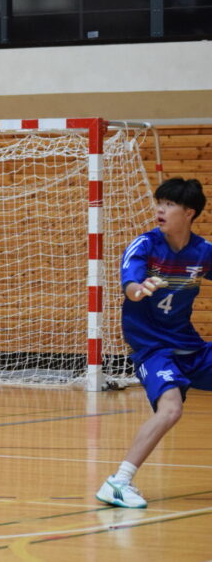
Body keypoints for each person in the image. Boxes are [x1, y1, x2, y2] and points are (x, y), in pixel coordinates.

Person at [96, 178, 212, 509]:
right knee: (171, 409)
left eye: (169, 204)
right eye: (159, 202)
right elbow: (131, 287)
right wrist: (141, 289)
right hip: (153, 349)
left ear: (189, 213)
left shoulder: (203, 252)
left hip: (189, 345)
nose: (160, 209)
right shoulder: (144, 245)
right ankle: (118, 483)